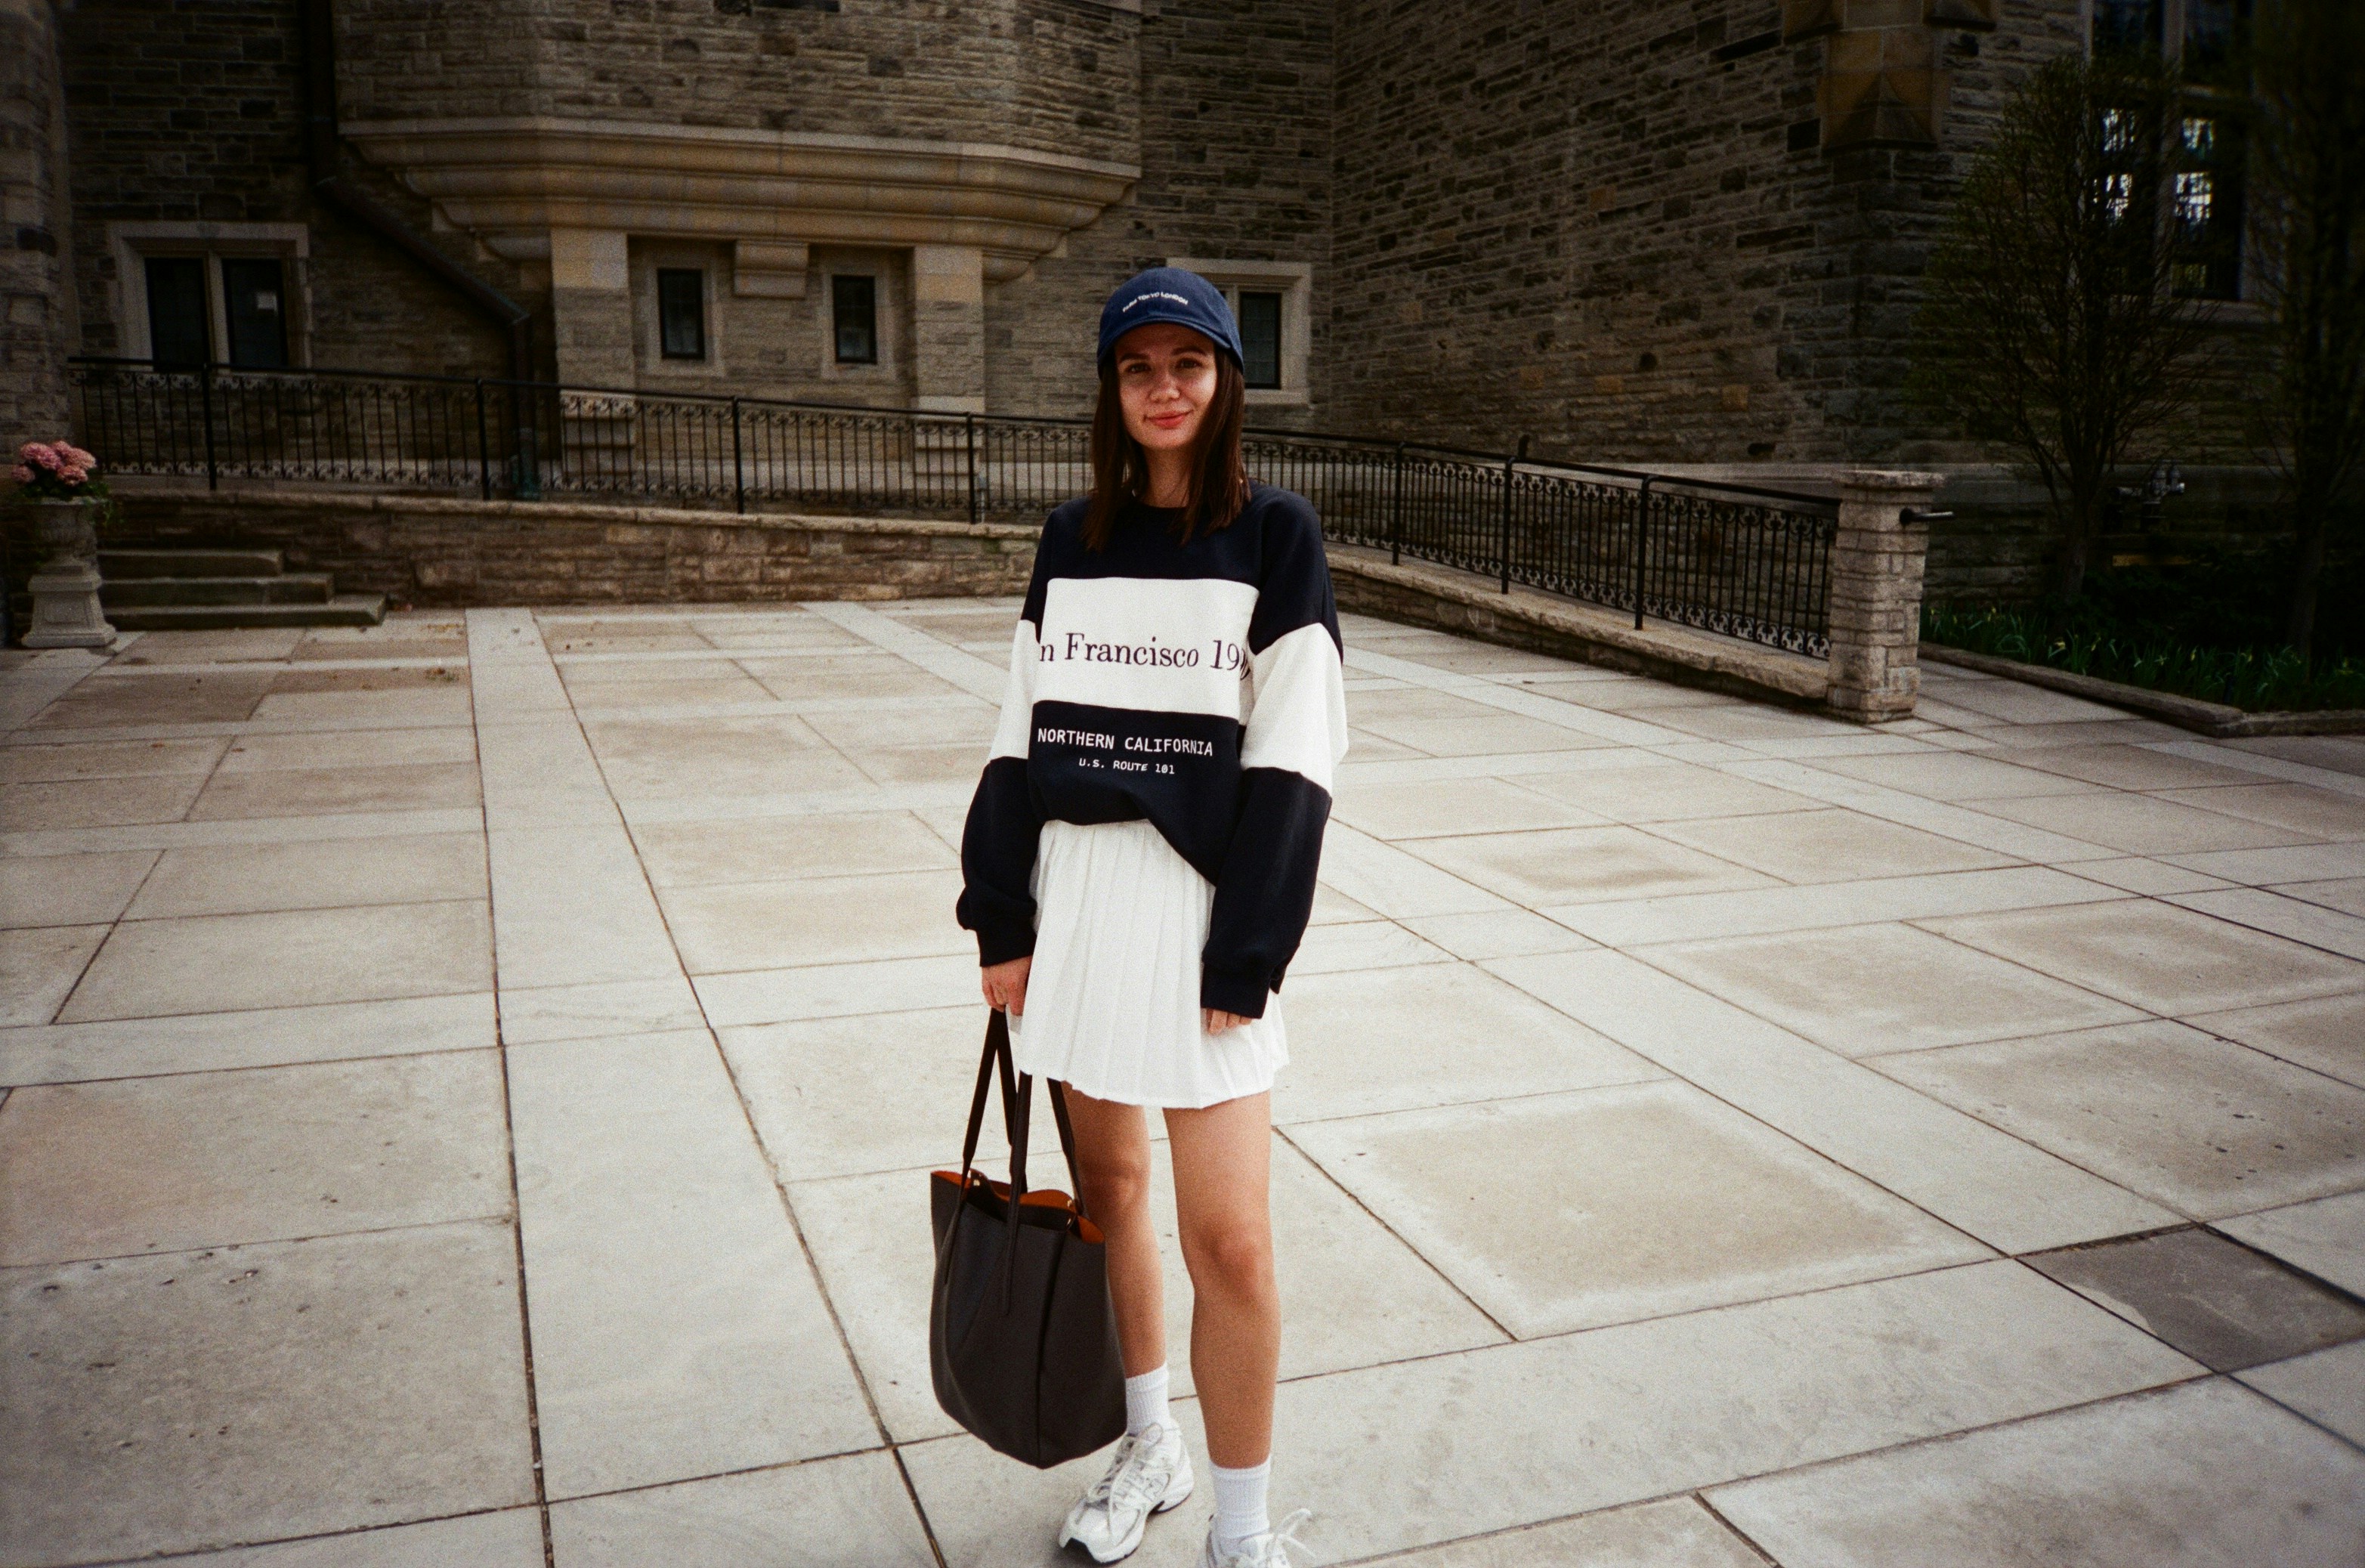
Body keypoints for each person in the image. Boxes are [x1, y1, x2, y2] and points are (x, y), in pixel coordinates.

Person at [956, 267, 1347, 1568]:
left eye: (1187, 364)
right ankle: (1148, 1442)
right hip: (1075, 909)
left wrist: (1250, 946)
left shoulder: (1274, 535)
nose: (1163, 389)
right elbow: (1018, 737)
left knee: (1227, 1239)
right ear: (1110, 390)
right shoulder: (1069, 540)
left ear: (1224, 380)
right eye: (1138, 368)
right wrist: (998, 913)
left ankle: (1242, 1534)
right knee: (1112, 1198)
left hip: (1199, 920)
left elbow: (1296, 756)